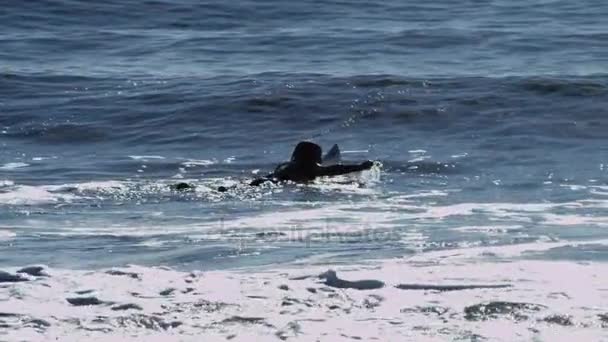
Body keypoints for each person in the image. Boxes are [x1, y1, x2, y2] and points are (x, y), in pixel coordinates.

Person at [248, 141, 374, 186]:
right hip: (273, 184)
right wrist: (360, 167)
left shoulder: (285, 165)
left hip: (263, 180)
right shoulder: (310, 168)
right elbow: (336, 169)